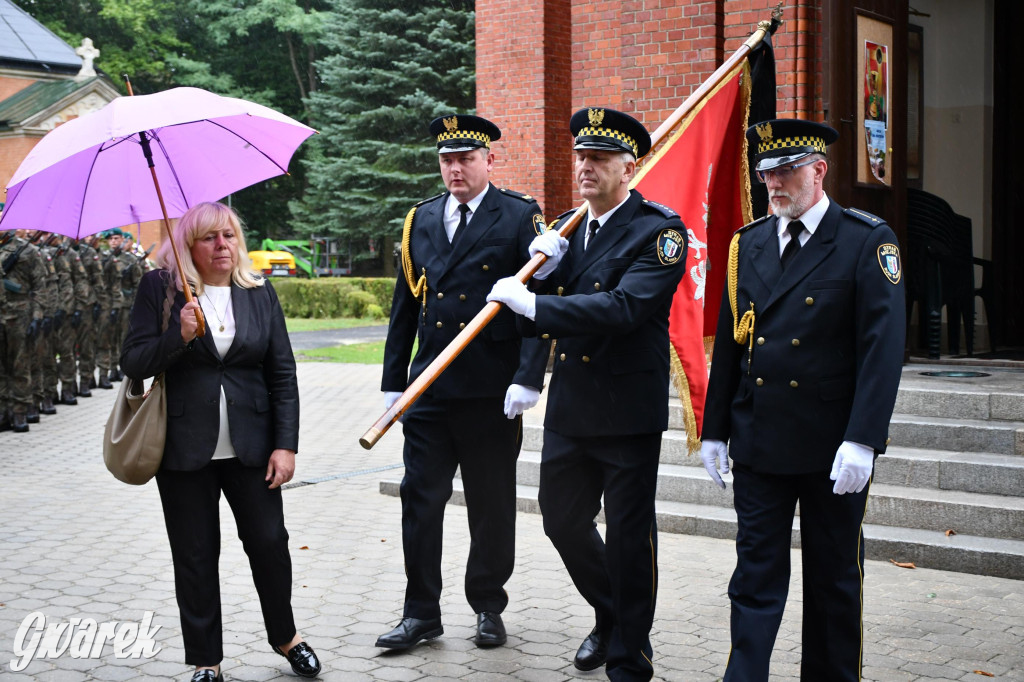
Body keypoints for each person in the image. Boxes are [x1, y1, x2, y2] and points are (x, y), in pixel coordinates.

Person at [699, 119, 905, 681]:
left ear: (819, 170)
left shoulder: (866, 240)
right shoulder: (750, 243)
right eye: (766, 173)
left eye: (786, 170)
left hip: (830, 446)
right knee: (753, 576)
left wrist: (863, 439)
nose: (774, 183)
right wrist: (713, 429)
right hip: (761, 440)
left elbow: (882, 351)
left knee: (834, 578)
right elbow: (729, 344)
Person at [487, 107, 688, 681]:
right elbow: (542, 321)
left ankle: (629, 654)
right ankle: (611, 612)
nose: (585, 168)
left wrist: (538, 302)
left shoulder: (659, 230)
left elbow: (624, 309)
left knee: (628, 537)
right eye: (581, 157)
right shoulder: (569, 229)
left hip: (626, 412)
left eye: (599, 159)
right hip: (573, 407)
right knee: (562, 521)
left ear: (630, 166)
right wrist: (541, 276)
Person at [120, 202, 321, 682]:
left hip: (254, 448)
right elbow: (133, 361)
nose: (223, 245)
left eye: (229, 235)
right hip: (183, 449)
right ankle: (205, 660)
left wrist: (286, 445)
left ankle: (286, 637)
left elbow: (283, 374)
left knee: (270, 544)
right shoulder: (160, 288)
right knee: (194, 554)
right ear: (189, 245)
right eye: (210, 237)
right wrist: (179, 336)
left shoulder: (258, 291)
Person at [377, 113, 548, 651]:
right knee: (419, 501)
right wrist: (392, 383)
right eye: (447, 160)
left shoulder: (520, 216)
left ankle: (487, 604)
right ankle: (420, 612)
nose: (455, 169)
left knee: (490, 503)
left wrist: (528, 377)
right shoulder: (420, 219)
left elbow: (537, 310)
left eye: (465, 159)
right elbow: (405, 307)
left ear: (488, 160)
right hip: (428, 388)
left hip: (490, 391)